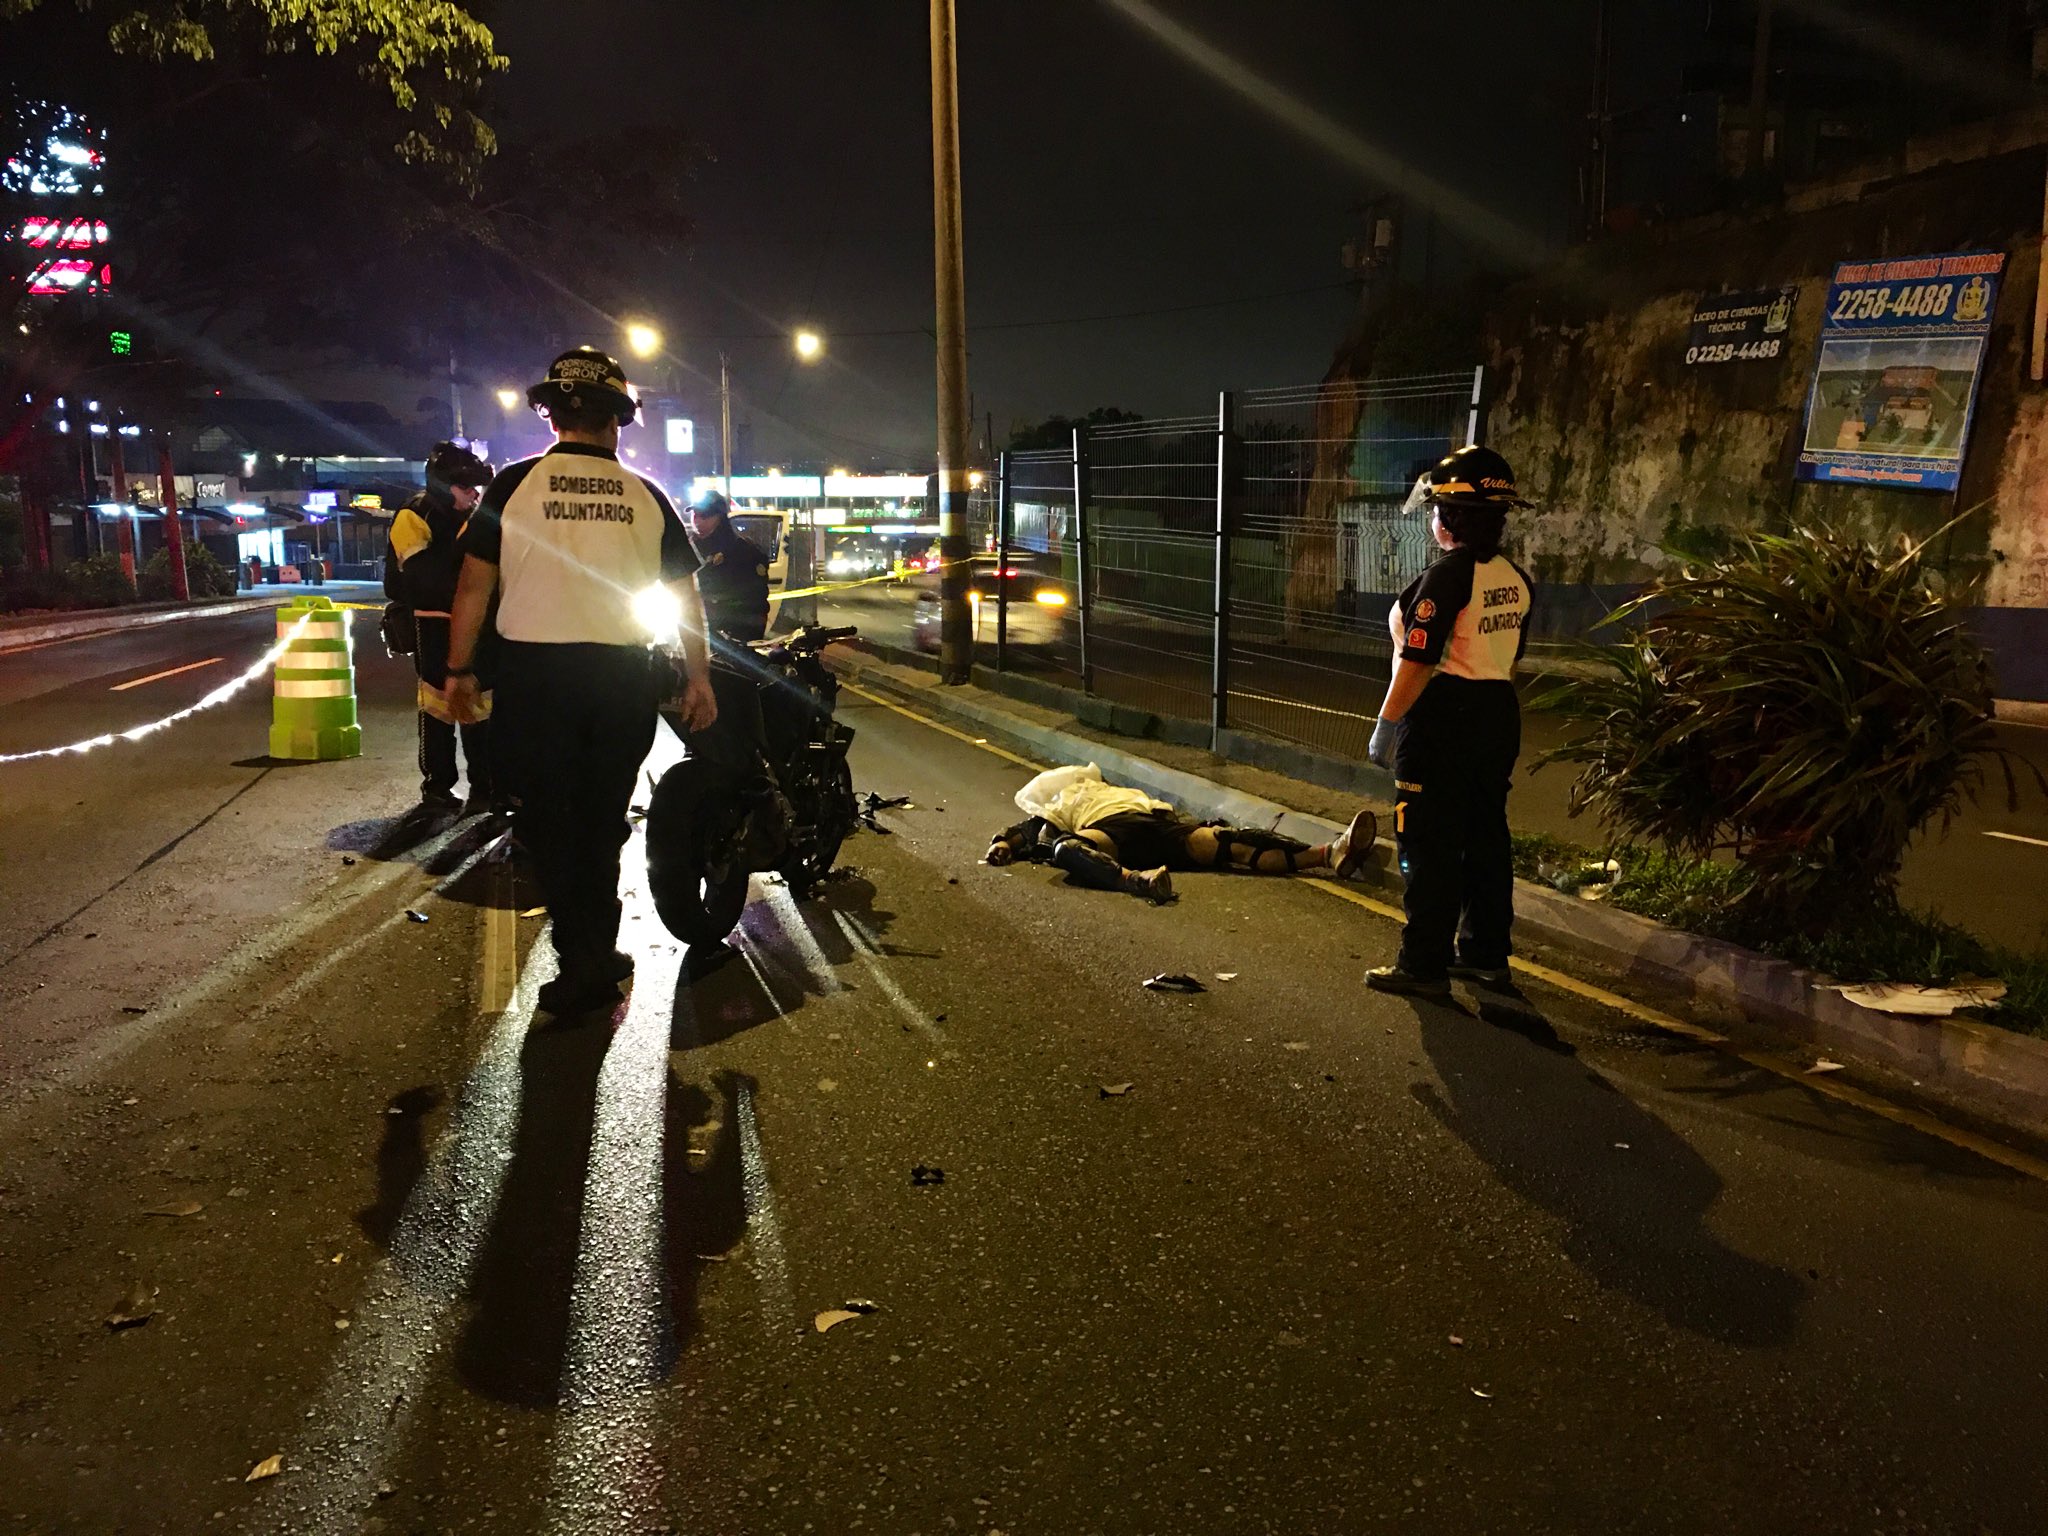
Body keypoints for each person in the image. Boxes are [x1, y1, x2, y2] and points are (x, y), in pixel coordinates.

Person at [443, 347, 718, 1018]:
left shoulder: (512, 485)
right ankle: (597, 948)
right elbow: (685, 598)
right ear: (620, 420)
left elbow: (475, 584)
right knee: (600, 822)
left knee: (551, 826)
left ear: (549, 414)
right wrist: (700, 678)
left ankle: (586, 963)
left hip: (537, 682)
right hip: (622, 681)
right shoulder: (647, 495)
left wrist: (457, 670)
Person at [1362, 444, 1535, 997]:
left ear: (1450, 517)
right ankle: (1485, 954)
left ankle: (1423, 965)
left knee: (1427, 844)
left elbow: (1419, 661)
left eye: (1437, 507)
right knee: (1484, 836)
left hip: (1443, 719)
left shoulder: (1446, 578)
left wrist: (1388, 723)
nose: (1432, 517)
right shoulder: (1514, 576)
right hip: (1496, 713)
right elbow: (1509, 652)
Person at [985, 762, 1379, 903]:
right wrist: (1003, 842)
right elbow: (1029, 827)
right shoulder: (1059, 804)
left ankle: (1330, 853)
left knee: (1232, 841)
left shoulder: (1110, 788)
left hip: (1158, 826)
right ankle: (1136, 881)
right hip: (1109, 834)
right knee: (1065, 849)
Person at [386, 440, 496, 815]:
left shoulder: (476, 517)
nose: (473, 495)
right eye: (466, 488)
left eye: (476, 489)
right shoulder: (414, 515)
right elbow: (421, 578)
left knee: (481, 708)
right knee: (437, 707)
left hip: (477, 624)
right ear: (443, 483)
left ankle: (486, 786)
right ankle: (437, 787)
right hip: (432, 623)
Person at [686, 488, 771, 644]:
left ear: (720, 517)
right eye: (695, 515)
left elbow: (756, 604)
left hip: (732, 636)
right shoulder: (685, 548)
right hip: (692, 630)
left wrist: (745, 640)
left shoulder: (743, 551)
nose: (697, 521)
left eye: (704, 516)